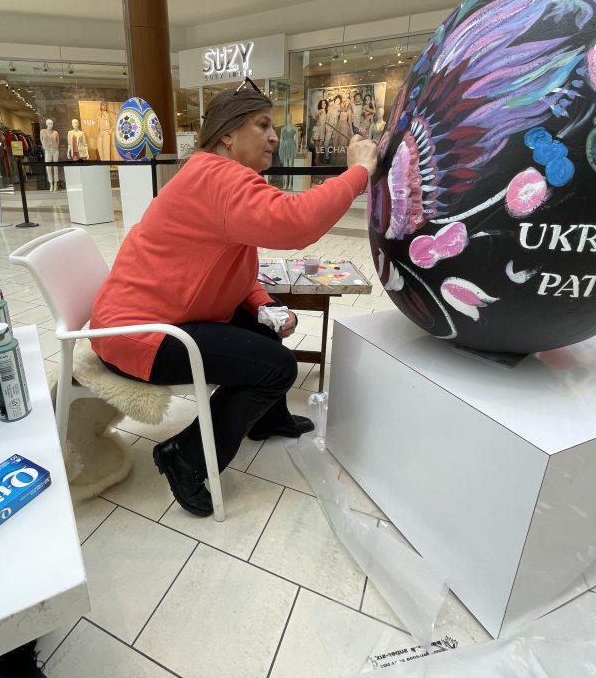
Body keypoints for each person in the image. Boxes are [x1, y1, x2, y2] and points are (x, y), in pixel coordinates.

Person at [90, 80, 379, 516]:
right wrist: (357, 173)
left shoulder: (211, 175)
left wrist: (263, 303)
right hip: (139, 335)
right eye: (262, 125)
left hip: (158, 320)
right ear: (227, 134)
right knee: (276, 367)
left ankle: (267, 419)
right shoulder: (216, 177)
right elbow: (294, 223)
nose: (272, 136)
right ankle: (184, 457)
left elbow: (233, 267)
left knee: (261, 329)